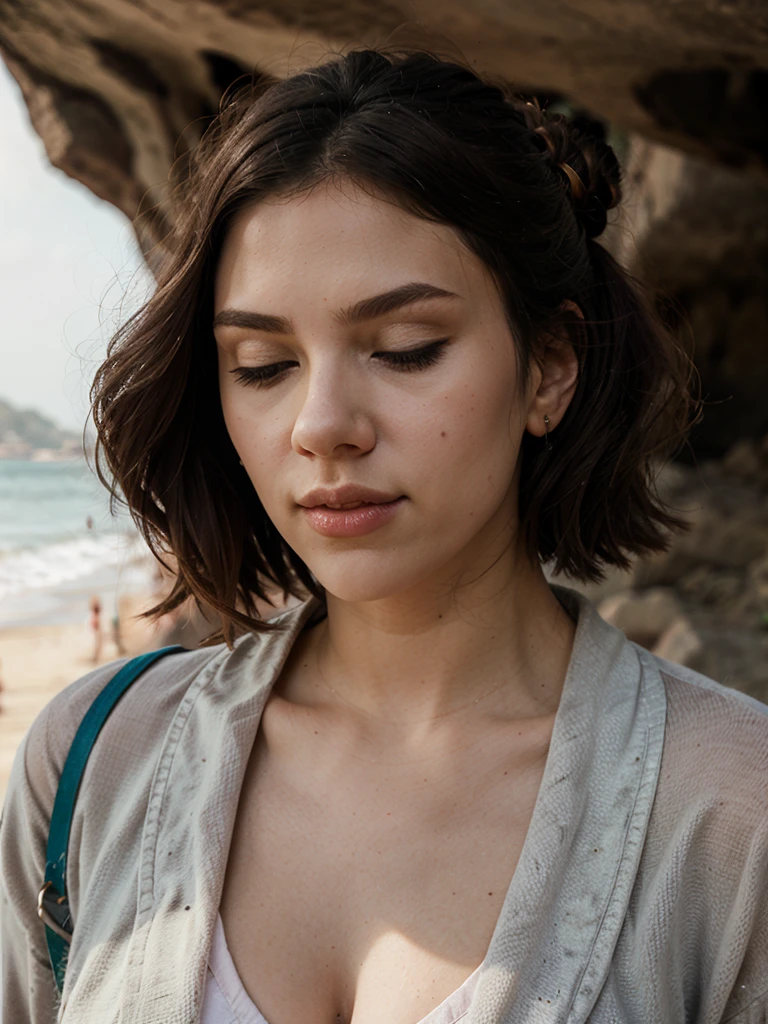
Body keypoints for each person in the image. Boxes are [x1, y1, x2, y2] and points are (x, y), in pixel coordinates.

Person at [1, 47, 766, 1024]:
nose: (323, 423)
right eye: (264, 363)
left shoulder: (734, 815)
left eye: (406, 349)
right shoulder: (92, 762)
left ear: (550, 367)